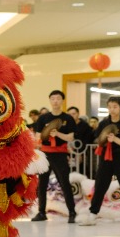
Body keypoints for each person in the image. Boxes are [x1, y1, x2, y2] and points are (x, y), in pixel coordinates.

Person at [77, 96, 120, 229]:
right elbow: (98, 139)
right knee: (99, 186)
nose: (112, 110)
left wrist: (115, 140)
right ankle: (92, 214)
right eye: (109, 107)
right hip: (106, 159)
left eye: (115, 107)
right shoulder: (104, 123)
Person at [31, 90, 78, 223]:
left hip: (60, 154)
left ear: (62, 101)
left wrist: (57, 134)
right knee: (42, 184)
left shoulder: (68, 118)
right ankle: (41, 212)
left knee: (64, 183)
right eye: (53, 98)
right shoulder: (43, 118)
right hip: (45, 154)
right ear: (50, 100)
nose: (55, 101)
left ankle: (72, 212)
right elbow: (37, 136)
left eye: (58, 98)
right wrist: (47, 134)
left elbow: (71, 137)